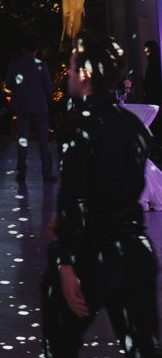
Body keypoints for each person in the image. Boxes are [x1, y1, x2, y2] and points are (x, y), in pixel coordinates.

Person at [41, 32, 161, 358]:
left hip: (95, 256)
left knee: (60, 342)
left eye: (70, 67)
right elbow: (120, 186)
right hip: (136, 253)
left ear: (86, 74)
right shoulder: (135, 126)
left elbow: (74, 197)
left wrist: (66, 265)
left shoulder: (77, 125)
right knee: (143, 350)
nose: (67, 73)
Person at [4, 40, 55, 181]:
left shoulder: (14, 64)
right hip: (39, 105)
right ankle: (47, 172)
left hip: (21, 105)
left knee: (22, 139)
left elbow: (8, 84)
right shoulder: (41, 65)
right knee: (44, 140)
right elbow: (49, 87)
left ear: (22, 48)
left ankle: (21, 171)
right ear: (36, 50)